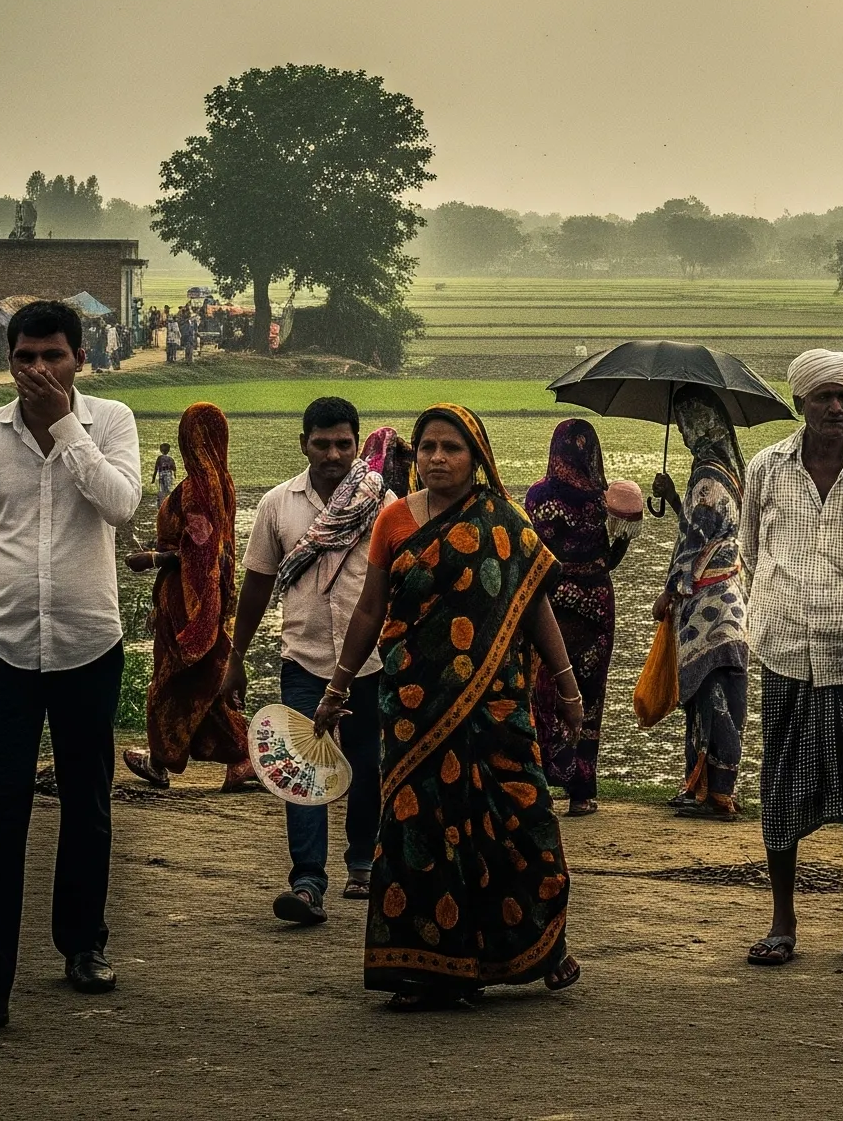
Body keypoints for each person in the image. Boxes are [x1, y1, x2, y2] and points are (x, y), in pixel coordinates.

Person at [316, 404, 582, 1008]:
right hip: (415, 704)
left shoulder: (507, 523)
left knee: (524, 817)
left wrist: (567, 689)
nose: (438, 458)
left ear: (477, 457)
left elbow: (536, 608)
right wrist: (336, 687)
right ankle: (427, 967)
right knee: (420, 825)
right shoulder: (393, 520)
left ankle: (543, 945)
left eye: (452, 448)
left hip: (496, 708)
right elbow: (369, 610)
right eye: (429, 447)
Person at [0, 300, 142, 1032]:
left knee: (86, 803)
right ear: (8, 360)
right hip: (3, 648)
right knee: (2, 813)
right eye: (25, 358)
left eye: (53, 356)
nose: (38, 370)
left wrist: (65, 429)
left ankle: (84, 945)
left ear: (80, 358)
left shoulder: (110, 421)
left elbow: (120, 506)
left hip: (89, 644)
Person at [739, 349, 843, 971]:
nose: (836, 408)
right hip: (786, 655)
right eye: (823, 398)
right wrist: (782, 610)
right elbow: (752, 553)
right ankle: (782, 922)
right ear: (799, 404)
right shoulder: (766, 469)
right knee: (782, 786)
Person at [230, 402, 395, 924]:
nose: (333, 454)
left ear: (357, 443)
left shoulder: (383, 503)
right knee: (302, 769)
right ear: (304, 443)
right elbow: (256, 584)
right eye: (322, 443)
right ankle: (307, 883)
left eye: (344, 444)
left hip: (368, 664)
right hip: (302, 659)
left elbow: (399, 584)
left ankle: (362, 862)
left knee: (367, 766)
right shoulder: (279, 505)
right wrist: (235, 656)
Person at [122, 403, 258, 793]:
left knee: (175, 682)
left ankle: (164, 758)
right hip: (202, 601)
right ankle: (240, 756)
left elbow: (198, 553)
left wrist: (153, 558)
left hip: (190, 604)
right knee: (206, 686)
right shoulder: (222, 482)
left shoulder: (199, 488)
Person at [651, 387, 751, 818]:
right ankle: (707, 786)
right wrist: (674, 498)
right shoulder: (731, 474)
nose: (684, 431)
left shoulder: (706, 477)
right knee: (721, 691)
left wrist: (668, 591)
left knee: (709, 695)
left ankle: (713, 792)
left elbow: (693, 543)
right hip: (731, 599)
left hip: (707, 604)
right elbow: (708, 529)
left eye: (687, 422)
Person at [526, 417, 630, 818]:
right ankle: (582, 790)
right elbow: (609, 559)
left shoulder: (536, 497)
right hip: (597, 605)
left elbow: (533, 553)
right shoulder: (603, 501)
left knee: (543, 692)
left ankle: (542, 783)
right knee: (590, 696)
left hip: (549, 605)